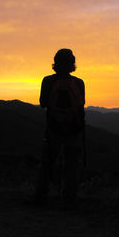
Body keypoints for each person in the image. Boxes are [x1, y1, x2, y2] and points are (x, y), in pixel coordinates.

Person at [32, 48, 85, 208]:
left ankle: (40, 197)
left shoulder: (48, 81)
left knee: (47, 163)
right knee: (72, 166)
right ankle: (69, 199)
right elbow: (81, 106)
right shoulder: (79, 82)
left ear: (55, 63)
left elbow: (42, 103)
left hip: (53, 128)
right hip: (74, 130)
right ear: (72, 64)